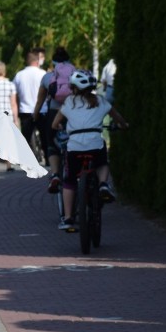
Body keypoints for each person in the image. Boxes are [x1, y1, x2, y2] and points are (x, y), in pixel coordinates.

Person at [52, 70, 129, 231]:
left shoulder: (69, 102)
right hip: (95, 143)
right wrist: (123, 126)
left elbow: (55, 123)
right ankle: (102, 184)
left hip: (74, 147)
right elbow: (118, 118)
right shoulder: (101, 101)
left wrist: (60, 126)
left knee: (69, 181)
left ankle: (68, 218)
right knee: (102, 162)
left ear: (73, 88)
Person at [34, 46, 76, 192]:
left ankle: (55, 174)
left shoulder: (47, 77)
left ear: (53, 62)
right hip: (73, 113)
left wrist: (35, 115)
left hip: (54, 113)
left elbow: (40, 101)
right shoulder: (76, 74)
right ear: (69, 61)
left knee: (51, 143)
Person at [12, 48, 47, 161]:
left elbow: (14, 93)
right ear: (37, 61)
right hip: (42, 109)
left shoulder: (19, 75)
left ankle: (28, 160)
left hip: (25, 109)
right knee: (44, 136)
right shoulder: (43, 74)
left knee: (26, 137)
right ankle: (47, 157)